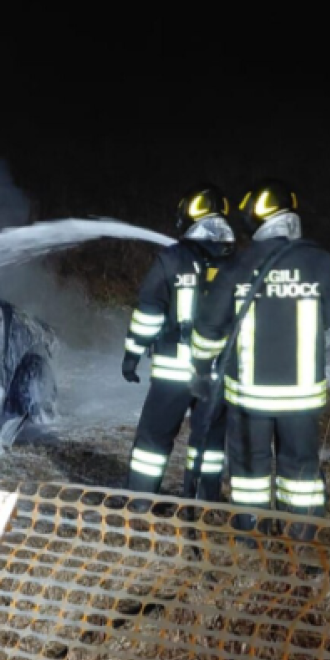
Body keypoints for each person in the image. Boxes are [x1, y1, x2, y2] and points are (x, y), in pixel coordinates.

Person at [191, 180, 330, 530]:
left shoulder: (239, 265)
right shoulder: (319, 263)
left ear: (255, 216)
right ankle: (301, 534)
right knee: (300, 469)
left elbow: (207, 328)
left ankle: (252, 532)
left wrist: (201, 367)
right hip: (301, 396)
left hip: (249, 398)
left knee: (250, 469)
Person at [122, 184, 235, 497]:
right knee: (209, 441)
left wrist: (132, 354)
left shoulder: (172, 259)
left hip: (175, 369)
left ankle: (141, 499)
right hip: (219, 371)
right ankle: (204, 500)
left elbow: (148, 310)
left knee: (154, 439)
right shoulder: (236, 261)